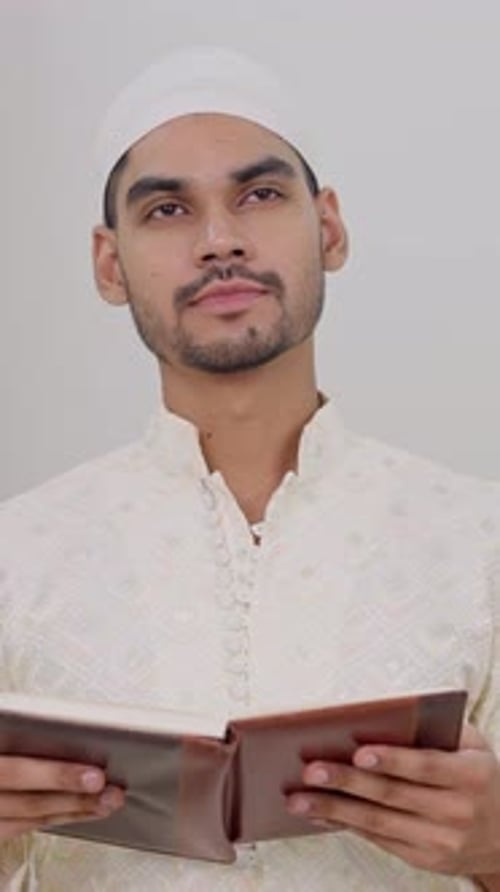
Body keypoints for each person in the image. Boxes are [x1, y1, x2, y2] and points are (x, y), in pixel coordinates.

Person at [0, 45, 500, 891]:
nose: (220, 240)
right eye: (165, 210)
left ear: (330, 228)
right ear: (108, 263)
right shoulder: (17, 557)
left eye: (260, 195)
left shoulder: (480, 541)